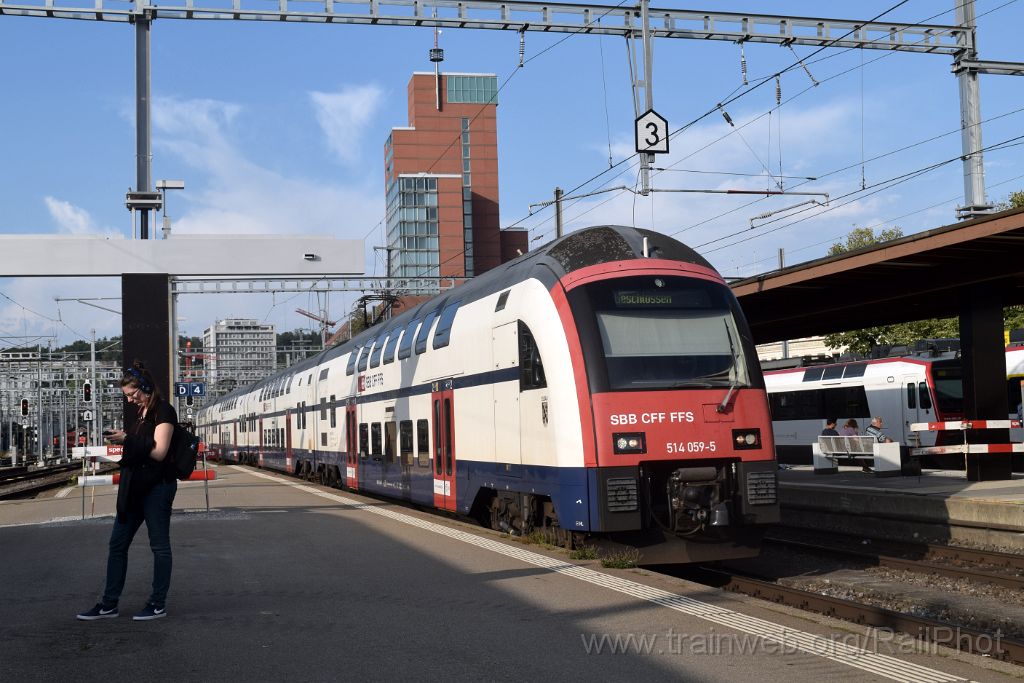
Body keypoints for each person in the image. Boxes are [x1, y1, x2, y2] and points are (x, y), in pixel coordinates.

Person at [77, 360, 179, 622]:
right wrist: (116, 453)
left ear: (146, 387)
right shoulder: (141, 415)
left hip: (157, 488)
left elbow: (159, 452)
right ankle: (108, 604)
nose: (131, 400)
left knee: (159, 546)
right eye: (127, 396)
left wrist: (127, 439)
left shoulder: (163, 412)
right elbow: (137, 449)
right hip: (134, 489)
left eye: (133, 394)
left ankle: (157, 604)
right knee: (117, 544)